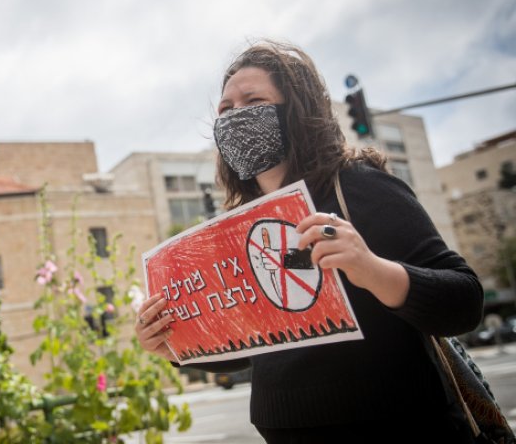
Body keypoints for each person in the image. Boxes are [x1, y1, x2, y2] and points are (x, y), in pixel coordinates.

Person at [135, 40, 483, 443]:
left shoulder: (358, 187)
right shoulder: (239, 225)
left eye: (253, 101)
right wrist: (175, 347)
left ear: (295, 112)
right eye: (225, 109)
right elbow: (262, 345)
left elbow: (465, 301)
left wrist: (371, 269)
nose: (234, 116)